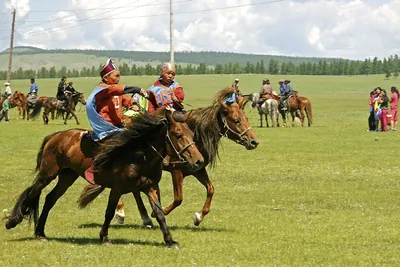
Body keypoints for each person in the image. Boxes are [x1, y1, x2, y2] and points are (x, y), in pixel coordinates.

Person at [84, 58, 146, 184]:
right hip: (107, 128)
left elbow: (125, 99)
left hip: (119, 126)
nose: (118, 79)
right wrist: (137, 89)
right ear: (106, 78)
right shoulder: (103, 90)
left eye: (119, 76)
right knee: (112, 145)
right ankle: (93, 168)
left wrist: (133, 104)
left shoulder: (116, 91)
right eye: (116, 76)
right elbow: (116, 90)